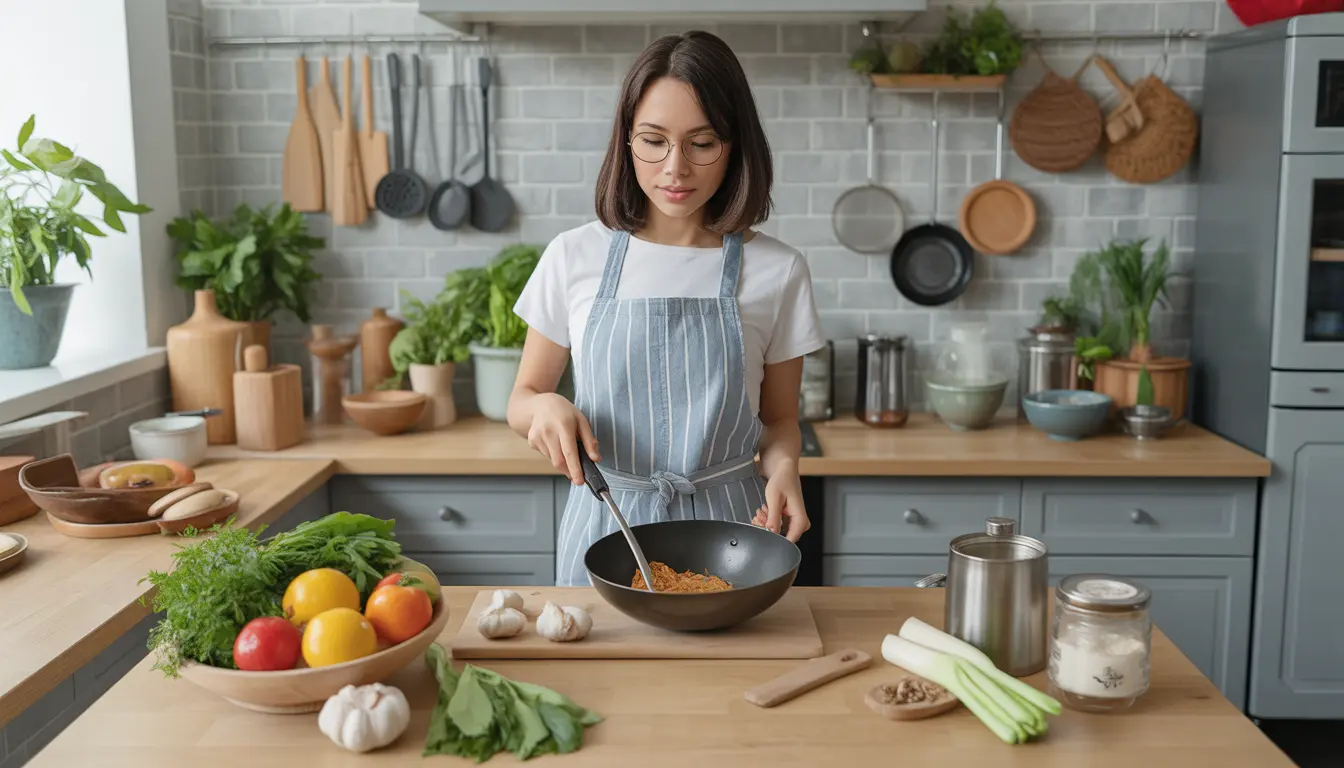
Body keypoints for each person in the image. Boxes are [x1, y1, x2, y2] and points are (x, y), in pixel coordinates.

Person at [507, 30, 826, 587]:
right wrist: (544, 410)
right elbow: (523, 398)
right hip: (607, 529)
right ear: (626, 140)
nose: (675, 167)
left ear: (736, 145)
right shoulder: (573, 255)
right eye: (653, 140)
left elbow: (779, 422)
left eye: (702, 144)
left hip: (732, 537)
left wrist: (783, 468)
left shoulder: (779, 270)